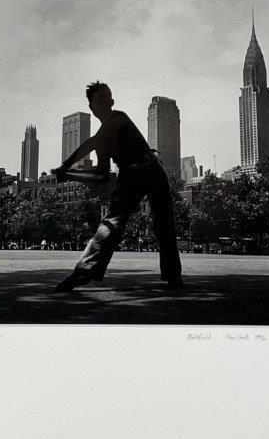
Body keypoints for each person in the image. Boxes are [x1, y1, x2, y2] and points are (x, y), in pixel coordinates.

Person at [52, 81, 184, 292]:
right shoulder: (102, 137)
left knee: (164, 224)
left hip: (149, 168)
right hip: (130, 174)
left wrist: (66, 166)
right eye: (101, 98)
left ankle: (173, 277)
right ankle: (84, 272)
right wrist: (69, 174)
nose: (107, 101)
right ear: (91, 106)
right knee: (111, 223)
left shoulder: (118, 118)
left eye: (109, 96)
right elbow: (101, 174)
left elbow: (93, 141)